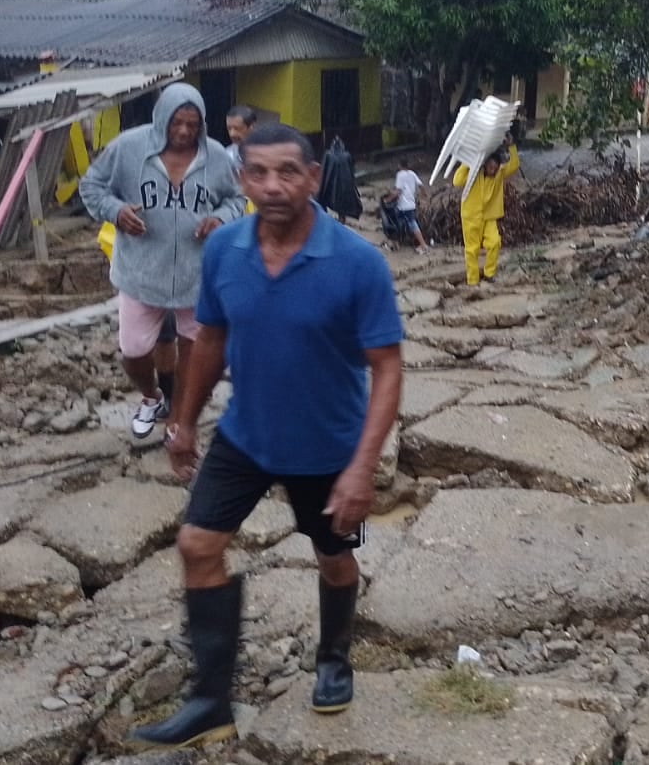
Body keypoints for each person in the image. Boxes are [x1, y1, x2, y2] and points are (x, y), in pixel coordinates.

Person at [128, 123, 403, 751]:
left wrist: (363, 468)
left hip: (330, 448)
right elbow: (211, 340)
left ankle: (333, 657)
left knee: (333, 557)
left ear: (313, 177)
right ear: (241, 179)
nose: (274, 186)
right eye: (259, 173)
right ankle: (210, 700)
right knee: (197, 545)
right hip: (245, 435)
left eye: (288, 173)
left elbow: (387, 367)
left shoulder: (358, 263)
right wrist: (184, 420)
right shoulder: (225, 249)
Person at [79, 83, 245, 439]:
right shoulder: (128, 147)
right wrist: (116, 211)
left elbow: (236, 200)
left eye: (192, 124)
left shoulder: (216, 156)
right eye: (176, 123)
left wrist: (221, 219)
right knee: (134, 350)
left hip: (197, 274)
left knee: (194, 349)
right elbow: (91, 187)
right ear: (161, 119)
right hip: (141, 271)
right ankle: (151, 396)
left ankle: (181, 417)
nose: (184, 132)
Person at [453, 136, 520, 286]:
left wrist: (512, 146)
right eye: (490, 165)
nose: (493, 168)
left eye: (495, 166)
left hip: (489, 216)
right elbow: (457, 181)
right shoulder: (473, 174)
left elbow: (514, 165)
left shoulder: (499, 174)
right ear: (484, 165)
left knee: (495, 242)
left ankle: (489, 273)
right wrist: (468, 162)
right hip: (471, 216)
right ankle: (473, 280)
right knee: (472, 250)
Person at [382, 163, 430, 253]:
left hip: (403, 205)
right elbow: (421, 186)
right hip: (411, 204)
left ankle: (423, 245)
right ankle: (396, 244)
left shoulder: (400, 175)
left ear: (399, 166)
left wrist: (388, 200)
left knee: (401, 224)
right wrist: (424, 196)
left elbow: (398, 191)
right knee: (401, 224)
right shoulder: (412, 173)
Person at [224, 105, 256, 169]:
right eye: (229, 128)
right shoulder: (226, 155)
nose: (232, 134)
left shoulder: (265, 152)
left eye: (237, 128)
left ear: (251, 127)